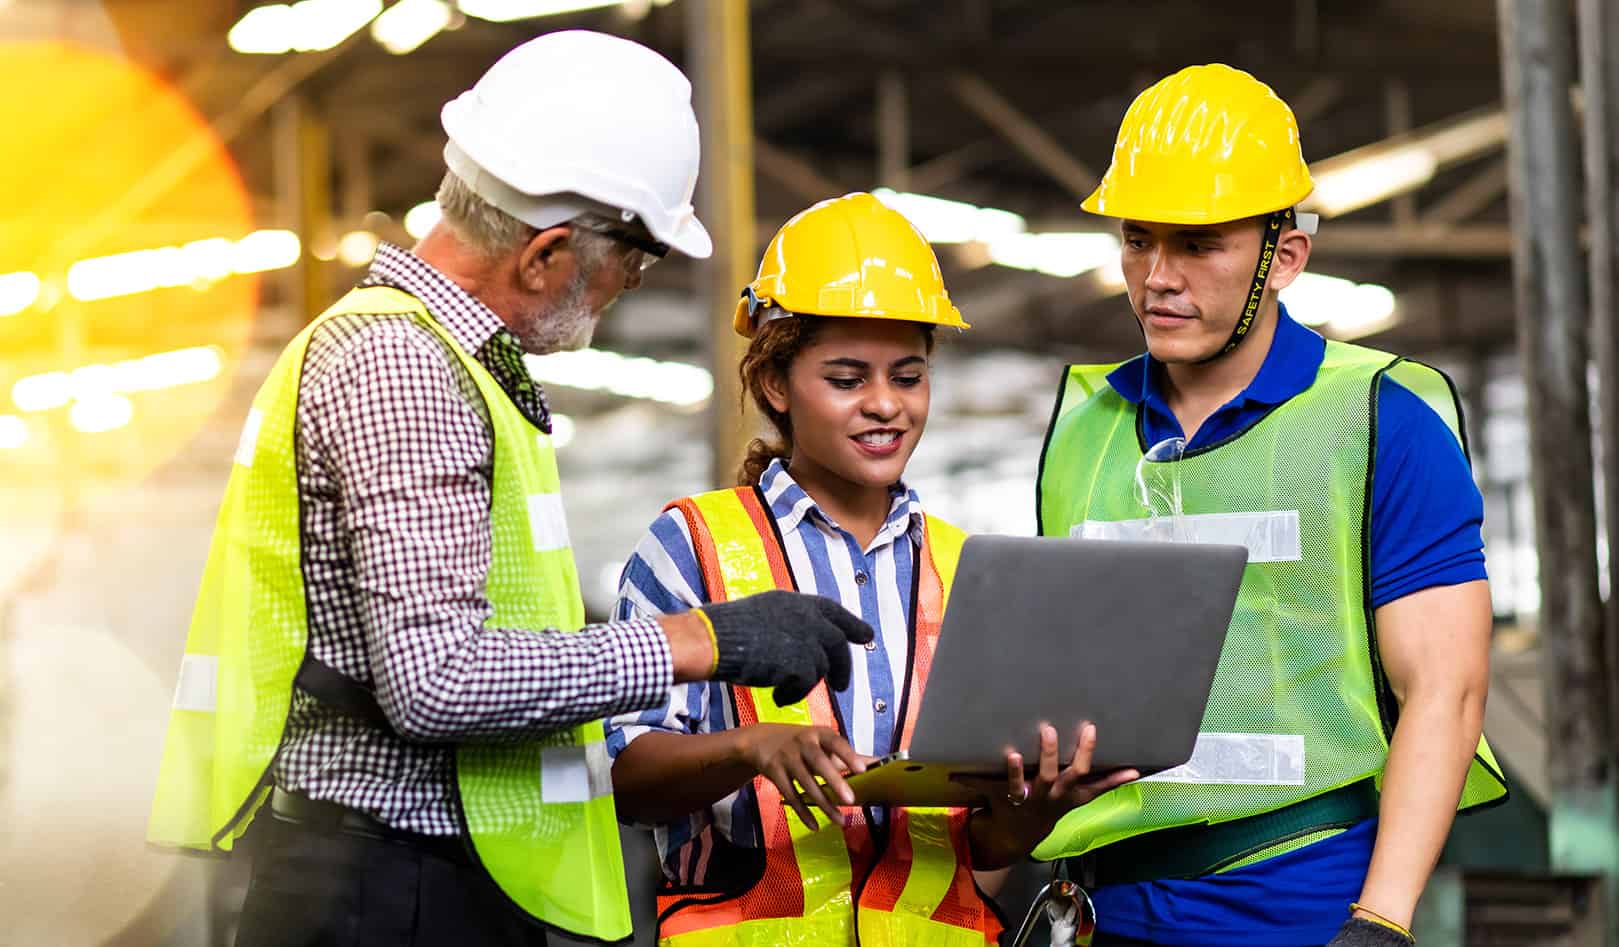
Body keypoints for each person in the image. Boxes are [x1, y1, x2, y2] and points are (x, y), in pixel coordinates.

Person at [146, 32, 876, 947]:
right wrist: (700, 641)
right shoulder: (403, 369)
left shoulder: (441, 361)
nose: (626, 288)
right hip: (385, 896)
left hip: (401, 878)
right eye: (633, 262)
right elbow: (436, 681)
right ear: (547, 253)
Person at [1032, 64, 1508, 947]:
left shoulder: (1379, 418)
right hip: (1101, 909)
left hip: (1296, 905)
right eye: (1137, 240)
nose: (1156, 277)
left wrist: (1381, 922)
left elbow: (1444, 686)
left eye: (1197, 244)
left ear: (1283, 255)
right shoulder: (1081, 428)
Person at [605, 192, 1138, 946]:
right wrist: (749, 747)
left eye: (908, 375)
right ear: (775, 384)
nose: (885, 405)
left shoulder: (966, 569)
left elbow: (975, 849)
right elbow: (626, 776)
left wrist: (1034, 809)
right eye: (848, 378)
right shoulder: (690, 544)